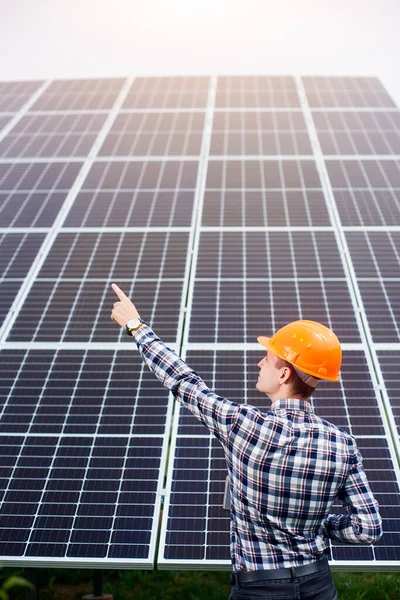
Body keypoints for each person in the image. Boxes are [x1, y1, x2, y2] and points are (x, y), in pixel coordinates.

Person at [110, 283, 383, 600]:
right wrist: (321, 525)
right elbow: (367, 530)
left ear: (284, 374)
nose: (260, 363)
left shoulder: (244, 426)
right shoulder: (342, 444)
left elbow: (185, 383)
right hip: (318, 586)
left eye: (267, 358)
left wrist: (137, 326)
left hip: (259, 589)